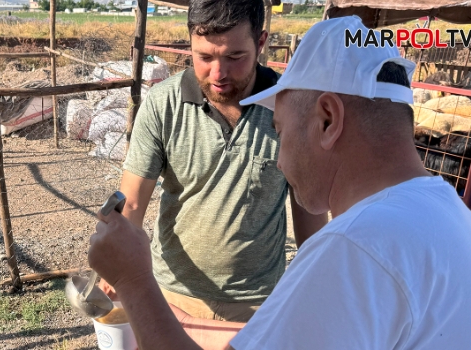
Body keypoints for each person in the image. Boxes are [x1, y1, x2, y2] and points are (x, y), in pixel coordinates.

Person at [89, 15, 471, 349]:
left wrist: (135, 282)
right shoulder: (457, 219)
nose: (279, 156)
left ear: (327, 119)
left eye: (280, 129)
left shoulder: (352, 252)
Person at [104, 0, 327, 323]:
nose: (218, 73)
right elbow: (133, 202)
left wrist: (314, 284)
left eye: (235, 57)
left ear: (261, 43)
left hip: (259, 304)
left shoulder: (290, 105)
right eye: (204, 57)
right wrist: (117, 264)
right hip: (172, 296)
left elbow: (309, 209)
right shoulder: (163, 104)